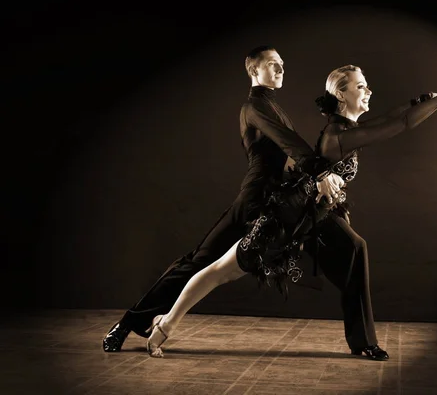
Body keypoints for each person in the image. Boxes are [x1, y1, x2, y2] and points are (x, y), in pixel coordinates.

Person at [143, 63, 437, 360]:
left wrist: (431, 98)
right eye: (361, 86)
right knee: (223, 270)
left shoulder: (349, 128)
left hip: (318, 216)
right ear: (342, 95)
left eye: (366, 85)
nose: (369, 90)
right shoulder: (338, 135)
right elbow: (399, 125)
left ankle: (363, 342)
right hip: (288, 219)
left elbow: (393, 116)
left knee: (355, 248)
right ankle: (166, 323)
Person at [102, 45, 344, 353]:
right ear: (255, 71)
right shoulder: (254, 106)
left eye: (282, 64)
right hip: (255, 199)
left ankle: (360, 328)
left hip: (277, 200)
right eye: (273, 64)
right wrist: (321, 174)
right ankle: (128, 323)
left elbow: (289, 155)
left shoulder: (273, 107)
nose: (281, 69)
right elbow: (288, 142)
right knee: (198, 262)